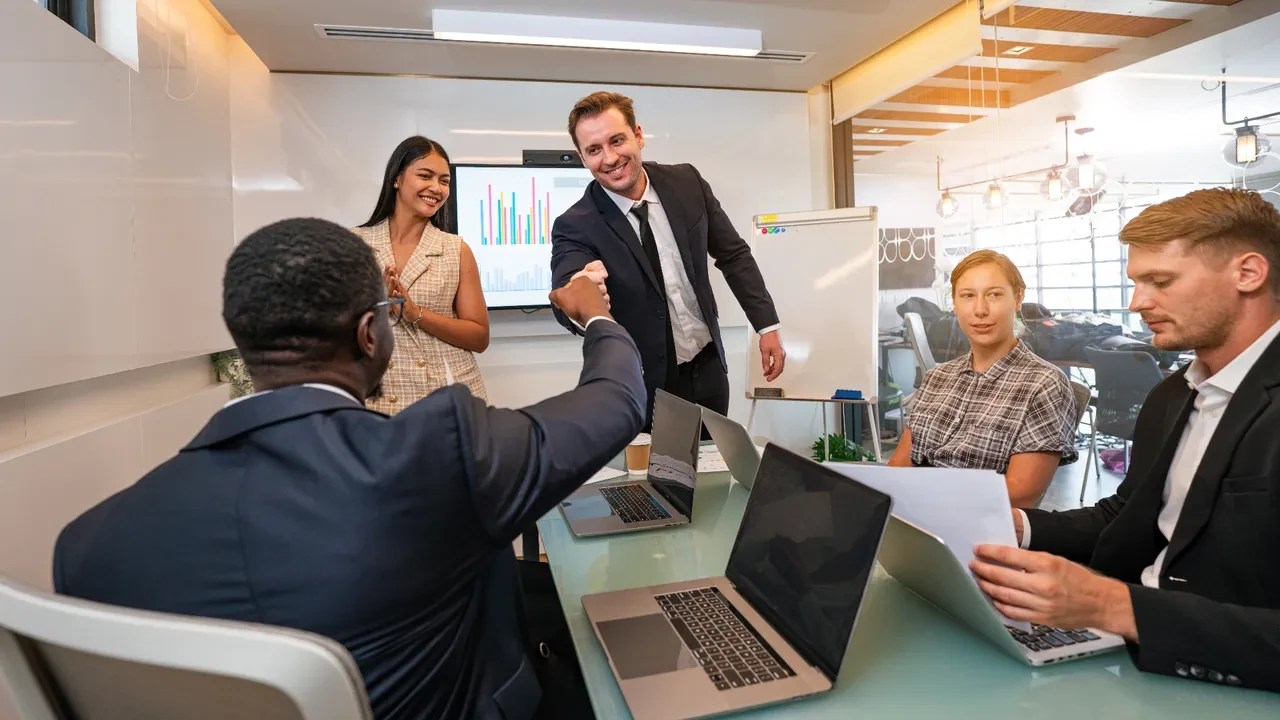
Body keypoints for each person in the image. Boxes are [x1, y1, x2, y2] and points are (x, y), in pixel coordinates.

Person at [52, 218, 646, 719]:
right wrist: (596, 318)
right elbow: (616, 400)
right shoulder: (437, 456)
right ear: (370, 333)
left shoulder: (87, 550)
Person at [971, 188, 1280, 693]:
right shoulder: (1173, 395)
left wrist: (1116, 606)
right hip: (1129, 653)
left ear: (1248, 273)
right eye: (1136, 282)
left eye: (1160, 281)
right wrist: (1021, 528)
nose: (1138, 303)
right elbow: (1126, 515)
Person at [550, 91, 785, 427]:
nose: (610, 158)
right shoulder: (575, 225)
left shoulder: (686, 183)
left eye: (617, 140)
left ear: (639, 136)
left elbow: (733, 255)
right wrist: (580, 294)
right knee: (656, 480)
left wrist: (767, 327)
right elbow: (567, 286)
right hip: (643, 385)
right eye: (594, 150)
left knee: (713, 471)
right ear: (581, 156)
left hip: (708, 371)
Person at [888, 250, 1078, 507]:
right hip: (914, 517)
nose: (980, 310)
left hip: (981, 530)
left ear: (1018, 297)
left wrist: (923, 496)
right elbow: (898, 469)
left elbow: (1020, 493)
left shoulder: (1043, 383)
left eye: (994, 295)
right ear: (954, 303)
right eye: (967, 296)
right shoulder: (936, 378)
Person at [352, 136, 490, 411]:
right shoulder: (355, 245)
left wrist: (416, 313)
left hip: (445, 397)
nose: (436, 188)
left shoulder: (455, 250)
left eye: (444, 181)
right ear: (397, 179)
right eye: (425, 176)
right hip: (377, 398)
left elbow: (478, 337)